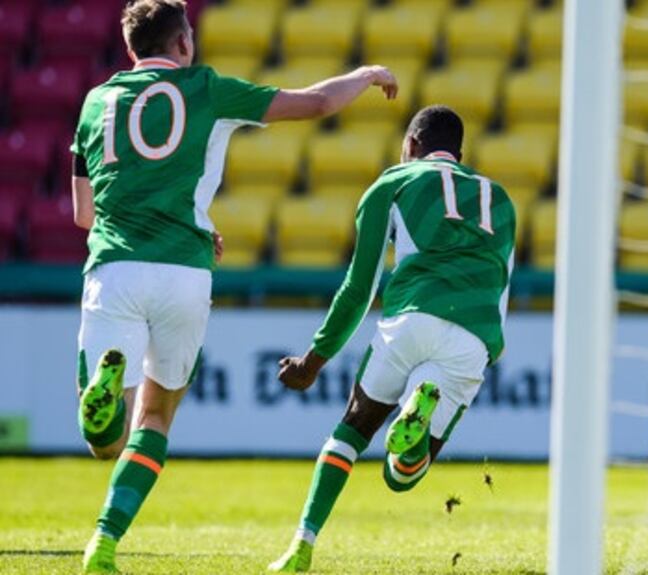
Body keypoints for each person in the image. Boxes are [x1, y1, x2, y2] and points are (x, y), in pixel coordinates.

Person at [70, 1, 398, 571]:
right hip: (184, 273)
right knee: (154, 421)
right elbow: (315, 102)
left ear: (130, 50)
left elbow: (82, 213)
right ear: (182, 44)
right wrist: (365, 76)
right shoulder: (208, 88)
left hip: (115, 268)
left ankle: (104, 391)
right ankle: (103, 542)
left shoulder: (96, 101)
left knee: (105, 441)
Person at [266, 105, 516, 573]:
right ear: (459, 154)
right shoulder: (500, 199)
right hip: (472, 336)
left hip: (411, 320)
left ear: (411, 146)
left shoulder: (394, 182)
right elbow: (503, 286)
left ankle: (301, 544)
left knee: (350, 431)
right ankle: (414, 432)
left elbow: (358, 289)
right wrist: (487, 352)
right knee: (402, 477)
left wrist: (312, 362)